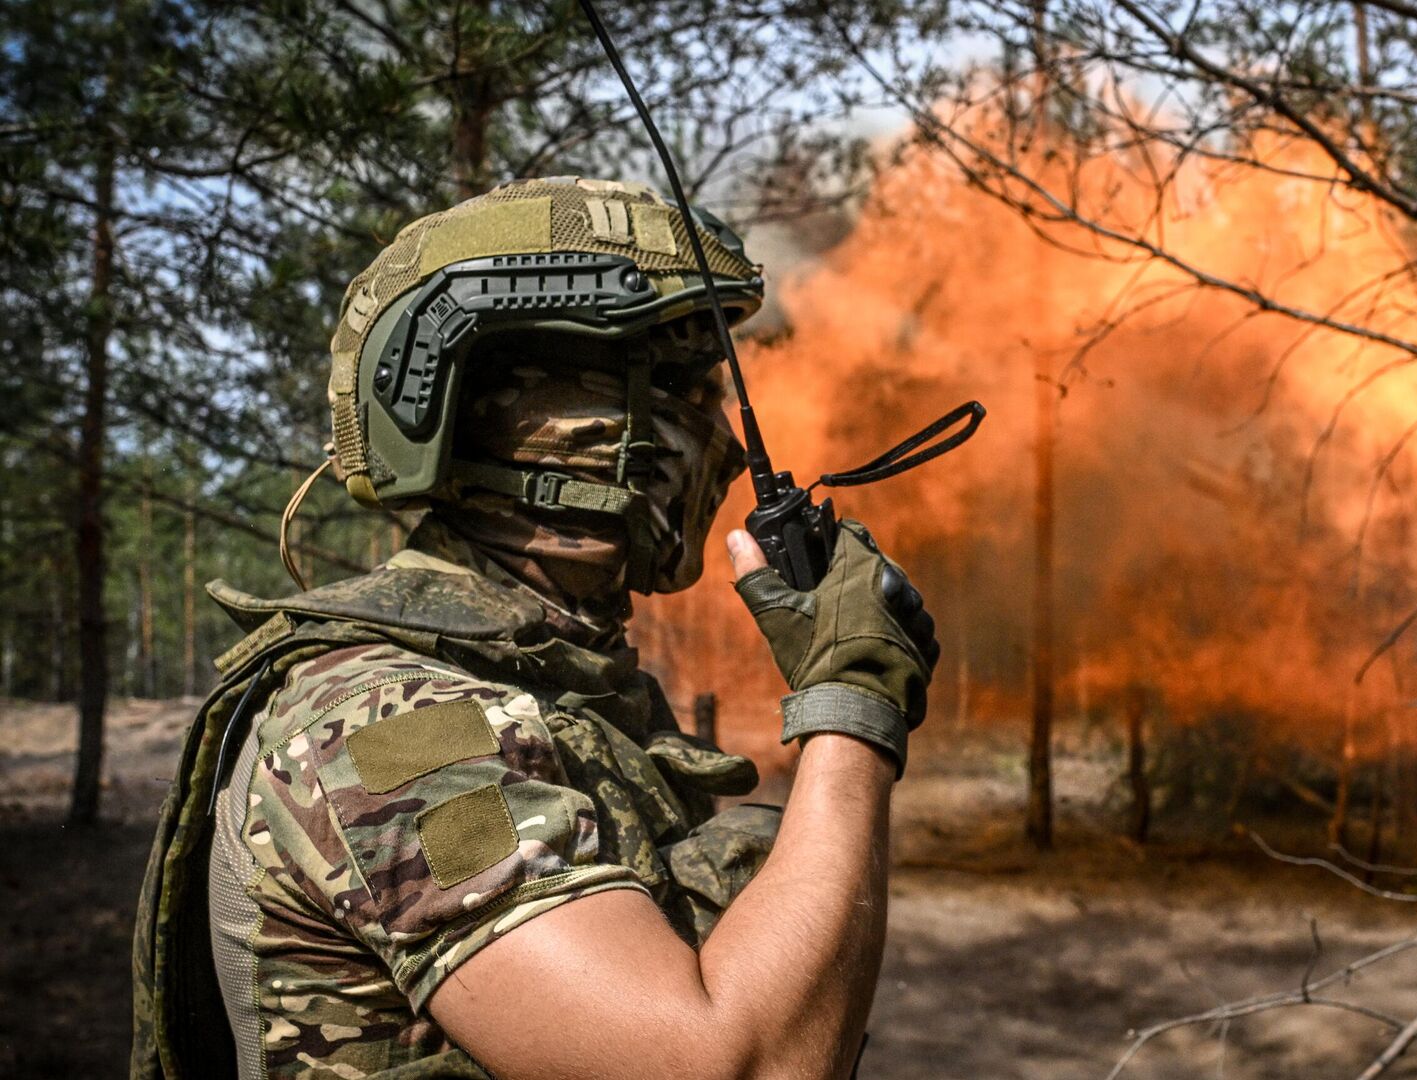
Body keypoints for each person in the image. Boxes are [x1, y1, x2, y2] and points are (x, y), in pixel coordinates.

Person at [130, 176, 939, 1080]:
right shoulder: (390, 725)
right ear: (501, 413)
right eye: (673, 385)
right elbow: (726, 1065)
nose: (723, 436)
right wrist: (853, 704)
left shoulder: (550, 678)